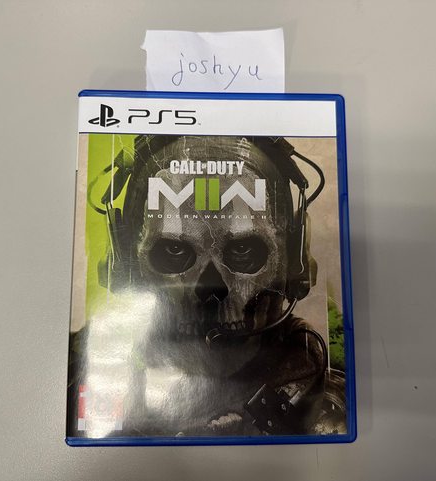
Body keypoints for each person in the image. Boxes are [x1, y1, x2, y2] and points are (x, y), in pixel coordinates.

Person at [67, 135, 346, 437]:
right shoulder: (77, 382)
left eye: (243, 250)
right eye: (174, 251)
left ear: (295, 260)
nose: (211, 290)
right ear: (123, 266)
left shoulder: (333, 406)